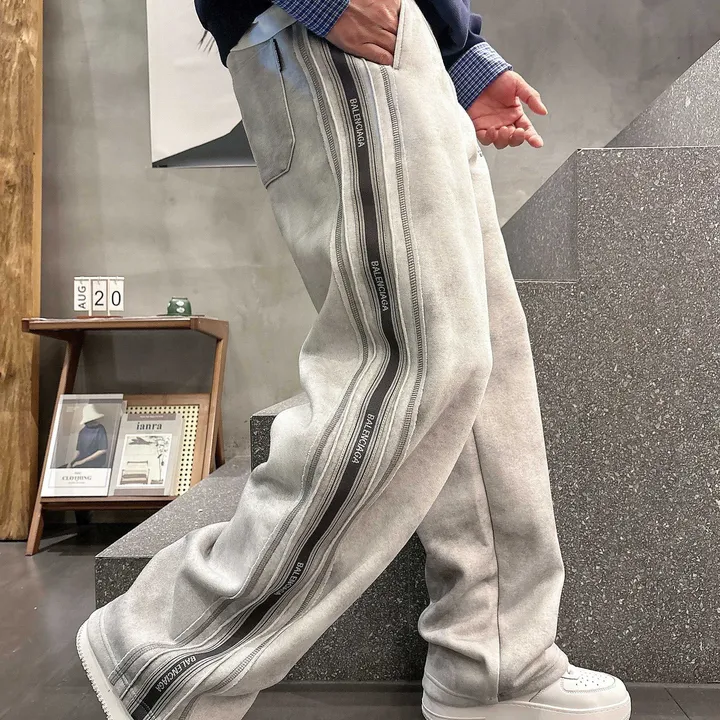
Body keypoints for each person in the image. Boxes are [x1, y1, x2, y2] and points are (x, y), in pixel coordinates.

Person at [77, 1, 631, 719]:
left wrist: (461, 55)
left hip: (409, 43)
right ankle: (163, 645)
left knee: (483, 368)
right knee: (408, 362)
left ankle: (494, 661)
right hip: (332, 34)